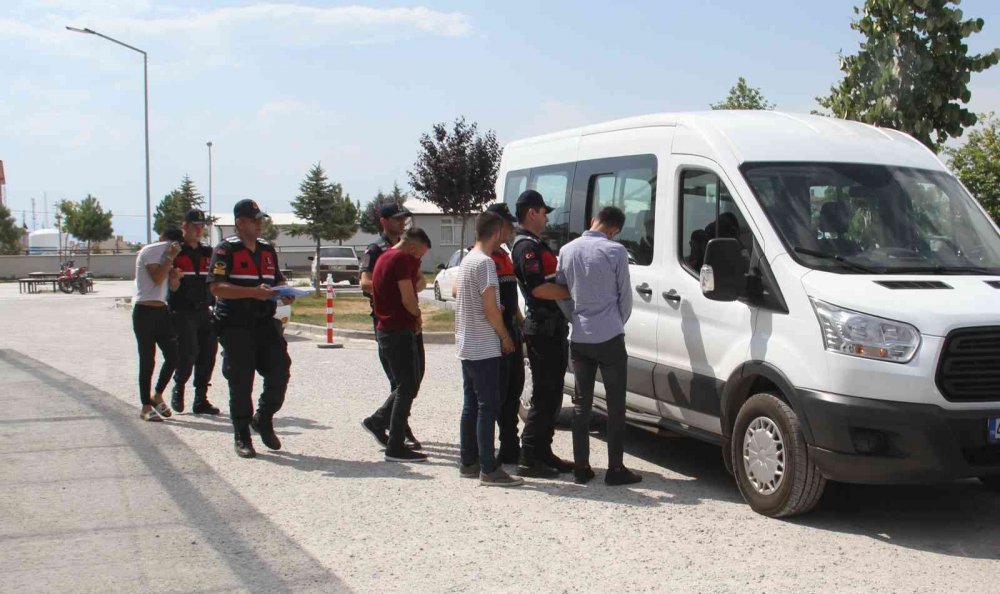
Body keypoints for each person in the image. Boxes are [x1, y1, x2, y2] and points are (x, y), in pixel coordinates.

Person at [556, 206, 641, 486]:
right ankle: (615, 469)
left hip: (579, 338)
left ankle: (581, 467)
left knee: (582, 405)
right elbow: (624, 296)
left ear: (594, 219)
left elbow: (561, 294)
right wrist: (617, 322)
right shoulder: (616, 252)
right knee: (616, 406)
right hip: (610, 338)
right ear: (614, 229)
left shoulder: (567, 251)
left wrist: (575, 318)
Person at [207, 199, 295, 459]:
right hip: (236, 324)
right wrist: (251, 293)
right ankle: (242, 434)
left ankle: (263, 417)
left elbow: (276, 277)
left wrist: (284, 291)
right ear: (240, 223)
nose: (259, 224)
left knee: (280, 370)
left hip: (264, 321)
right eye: (254, 220)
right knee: (241, 380)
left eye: (260, 220)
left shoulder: (267, 249)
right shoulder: (226, 250)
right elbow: (216, 288)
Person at [455, 212, 524, 486]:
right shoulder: (485, 264)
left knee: (471, 404)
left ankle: (468, 461)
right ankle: (488, 467)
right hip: (484, 345)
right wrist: (505, 337)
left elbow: (467, 298)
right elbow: (489, 309)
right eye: (504, 232)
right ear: (496, 233)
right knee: (488, 406)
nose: (506, 237)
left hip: (466, 342)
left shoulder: (467, 259)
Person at [510, 189, 574, 478]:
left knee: (554, 394)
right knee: (545, 394)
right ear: (532, 212)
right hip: (542, 328)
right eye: (544, 212)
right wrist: (572, 292)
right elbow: (537, 288)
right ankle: (529, 456)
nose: (547, 217)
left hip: (553, 328)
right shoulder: (527, 248)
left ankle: (543, 451)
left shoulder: (536, 244)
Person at [360, 203, 423, 450]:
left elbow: (419, 282)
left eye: (404, 219)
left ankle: (386, 422)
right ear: (384, 221)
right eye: (397, 219)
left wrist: (407, 285)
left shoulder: (408, 249)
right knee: (401, 379)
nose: (402, 223)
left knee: (414, 378)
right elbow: (365, 282)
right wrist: (394, 286)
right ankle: (395, 427)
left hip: (410, 319)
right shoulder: (376, 250)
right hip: (389, 321)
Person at [369, 227, 433, 462]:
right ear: (413, 247)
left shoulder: (385, 257)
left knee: (407, 384)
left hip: (389, 329)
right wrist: (417, 316)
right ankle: (395, 445)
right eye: (420, 255)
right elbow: (408, 297)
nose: (419, 260)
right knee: (407, 386)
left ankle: (378, 421)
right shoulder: (400, 258)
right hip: (398, 330)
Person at [168, 208, 221, 415]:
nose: (199, 230)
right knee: (188, 352)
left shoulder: (209, 252)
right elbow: (168, 282)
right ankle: (179, 388)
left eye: (202, 226)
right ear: (185, 227)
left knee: (208, 354)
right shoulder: (175, 251)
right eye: (195, 226)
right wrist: (173, 279)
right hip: (182, 310)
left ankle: (200, 399)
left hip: (205, 309)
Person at [483, 203, 525, 464]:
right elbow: (457, 291)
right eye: (508, 225)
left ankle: (511, 445)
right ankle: (492, 451)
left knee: (514, 390)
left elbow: (510, 296)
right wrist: (502, 334)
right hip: (495, 332)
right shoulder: (481, 258)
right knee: (497, 393)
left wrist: (520, 321)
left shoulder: (505, 255)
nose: (512, 230)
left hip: (511, 327)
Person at [133, 228, 183, 422]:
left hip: (162, 310)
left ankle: (158, 394)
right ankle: (145, 406)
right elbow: (156, 277)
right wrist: (169, 258)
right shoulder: (152, 251)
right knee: (148, 359)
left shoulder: (167, 255)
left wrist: (175, 278)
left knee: (174, 356)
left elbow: (172, 286)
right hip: (144, 311)